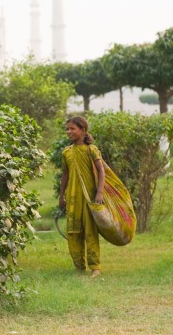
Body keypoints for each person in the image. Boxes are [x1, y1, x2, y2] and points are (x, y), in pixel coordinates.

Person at [59, 117, 105, 278]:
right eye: (67, 129)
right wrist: (61, 196)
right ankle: (79, 267)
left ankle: (95, 267)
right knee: (73, 232)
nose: (69, 132)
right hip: (72, 197)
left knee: (90, 232)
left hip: (89, 197)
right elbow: (65, 175)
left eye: (72, 129)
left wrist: (99, 192)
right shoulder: (66, 152)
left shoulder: (91, 149)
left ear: (83, 130)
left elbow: (101, 171)